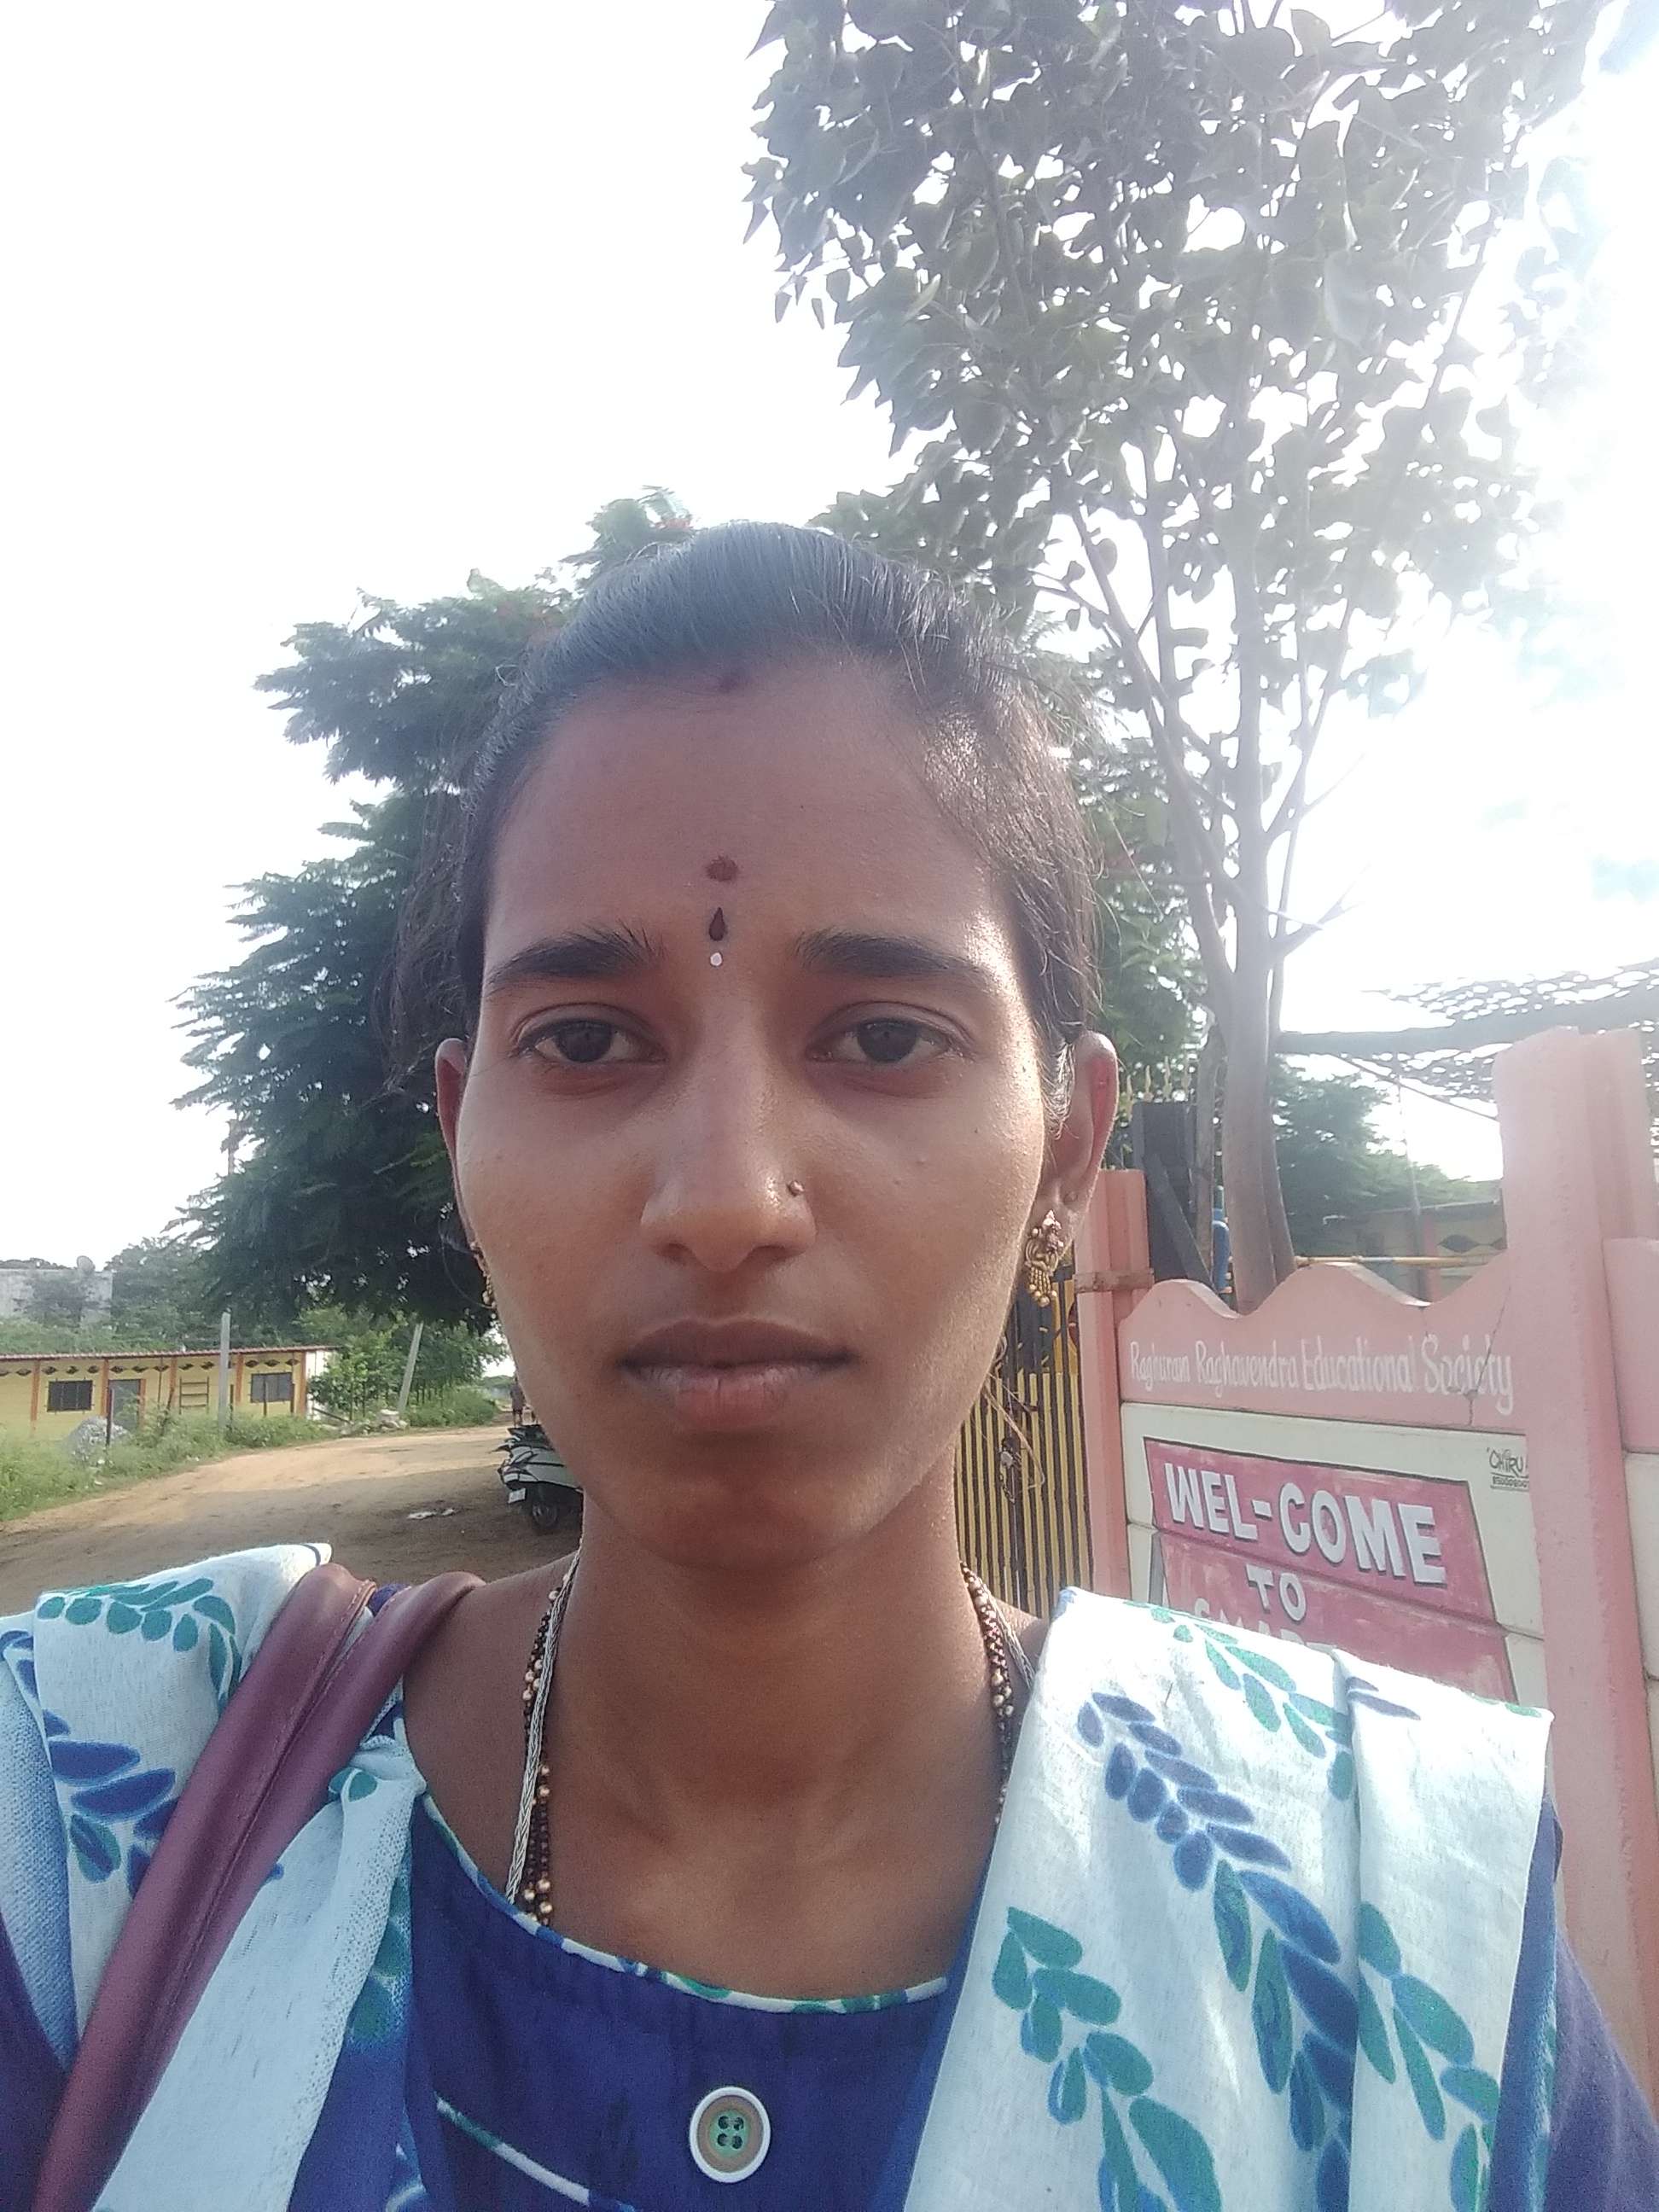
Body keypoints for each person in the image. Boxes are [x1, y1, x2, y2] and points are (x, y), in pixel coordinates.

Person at [3, 525, 1655, 2211]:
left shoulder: (1400, 1940)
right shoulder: (92, 1812)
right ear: (460, 1126)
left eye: (881, 1037)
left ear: (1066, 1147)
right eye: (586, 1040)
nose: (726, 1199)